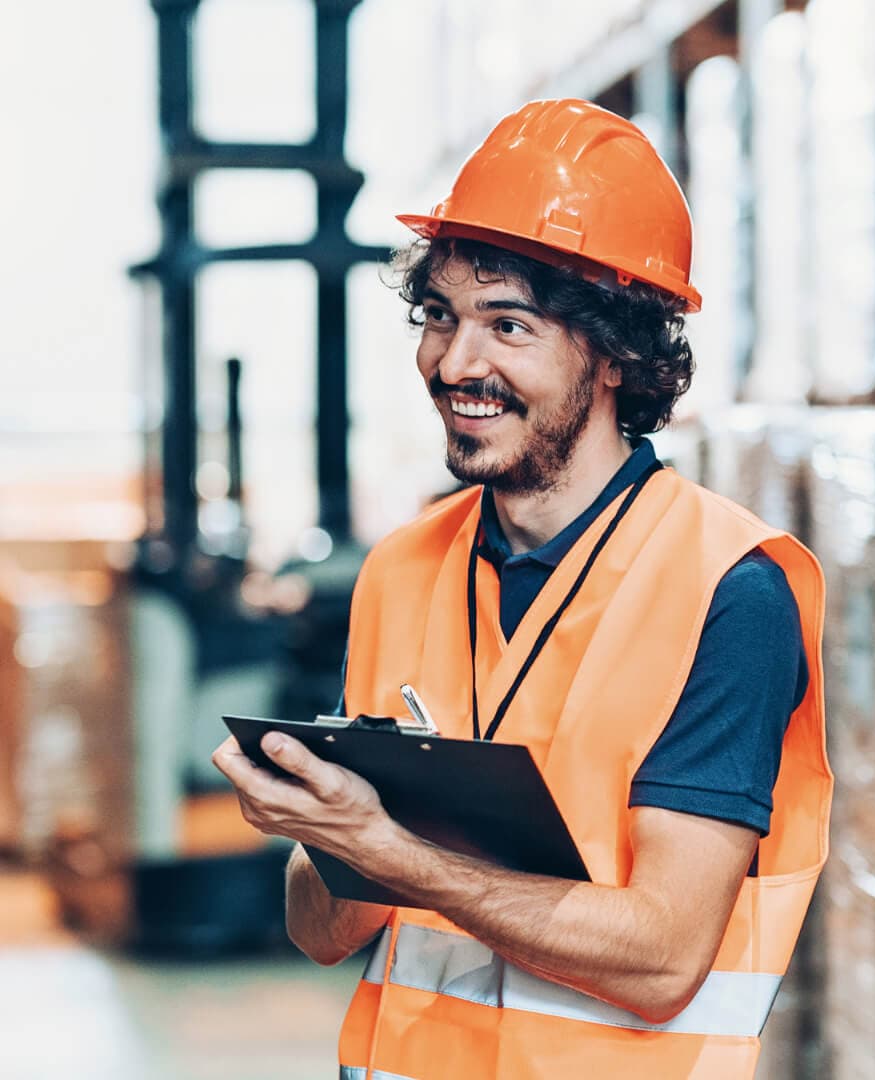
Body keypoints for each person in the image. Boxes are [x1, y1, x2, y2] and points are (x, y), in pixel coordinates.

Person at [213, 98, 831, 1080]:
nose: (458, 363)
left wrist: (396, 850)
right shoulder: (403, 570)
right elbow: (321, 931)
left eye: (510, 324)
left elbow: (666, 957)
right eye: (441, 317)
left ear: (621, 354)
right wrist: (323, 832)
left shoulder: (728, 590)